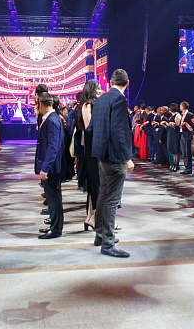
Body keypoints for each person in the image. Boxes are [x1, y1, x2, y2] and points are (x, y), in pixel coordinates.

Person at [90, 69, 134, 258]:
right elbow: (119, 130)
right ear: (127, 83)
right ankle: (108, 243)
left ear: (110, 82)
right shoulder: (120, 100)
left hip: (100, 154)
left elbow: (92, 127)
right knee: (112, 199)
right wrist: (127, 157)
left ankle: (100, 236)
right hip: (114, 155)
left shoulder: (100, 99)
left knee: (103, 195)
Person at [35, 93, 67, 239]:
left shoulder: (52, 120)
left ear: (41, 104)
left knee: (54, 198)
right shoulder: (51, 118)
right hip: (51, 165)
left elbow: (53, 146)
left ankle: (56, 229)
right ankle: (54, 226)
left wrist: (45, 167)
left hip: (52, 167)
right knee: (53, 198)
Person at [79, 80, 103, 231]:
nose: (100, 90)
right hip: (92, 148)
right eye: (98, 88)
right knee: (95, 183)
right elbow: (89, 127)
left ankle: (91, 216)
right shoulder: (87, 105)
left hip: (96, 147)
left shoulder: (93, 104)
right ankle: (94, 217)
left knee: (96, 184)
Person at [179, 101, 194, 175]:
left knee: (187, 152)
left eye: (180, 106)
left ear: (183, 107)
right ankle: (186, 167)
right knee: (184, 152)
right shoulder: (182, 115)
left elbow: (192, 127)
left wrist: (186, 124)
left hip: (187, 135)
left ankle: (189, 168)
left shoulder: (190, 115)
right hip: (182, 134)